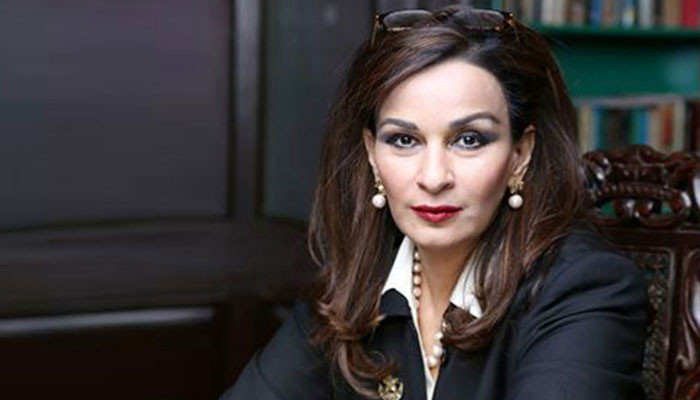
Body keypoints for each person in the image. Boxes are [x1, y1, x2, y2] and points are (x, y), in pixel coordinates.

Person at [221, 5, 646, 400]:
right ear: (372, 153)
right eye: (404, 140)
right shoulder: (357, 285)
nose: (433, 177)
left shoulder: (585, 286)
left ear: (521, 153)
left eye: (469, 139)